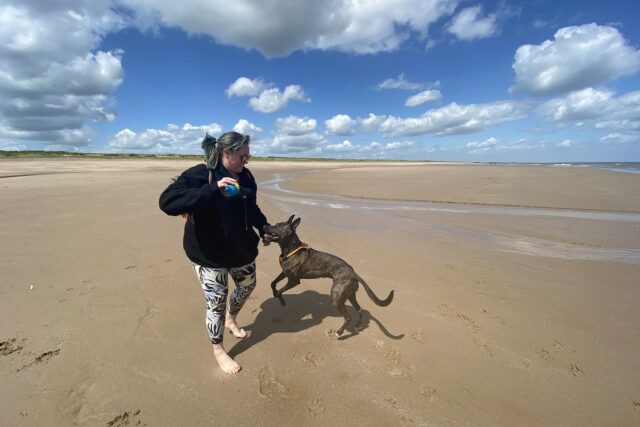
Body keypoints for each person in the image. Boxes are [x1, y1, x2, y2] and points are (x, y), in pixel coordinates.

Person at [159, 131, 271, 374]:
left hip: (240, 249)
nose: (246, 162)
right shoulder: (201, 173)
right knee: (216, 302)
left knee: (247, 286)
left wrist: (263, 227)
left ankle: (231, 318)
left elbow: (251, 208)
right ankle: (219, 350)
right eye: (242, 157)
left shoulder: (246, 176)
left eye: (248, 157)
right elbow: (167, 201)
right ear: (226, 152)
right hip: (207, 253)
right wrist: (212, 190)